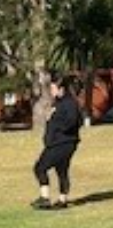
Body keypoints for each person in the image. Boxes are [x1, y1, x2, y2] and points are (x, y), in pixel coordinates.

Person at [31, 73, 82, 210]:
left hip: (62, 143)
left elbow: (72, 122)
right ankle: (62, 200)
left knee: (40, 167)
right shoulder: (58, 103)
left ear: (62, 89)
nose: (52, 91)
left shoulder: (70, 103)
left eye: (54, 88)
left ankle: (45, 198)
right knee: (62, 170)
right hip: (57, 142)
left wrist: (56, 125)